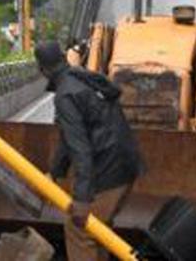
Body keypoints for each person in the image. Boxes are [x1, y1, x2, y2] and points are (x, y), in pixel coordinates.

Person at [35, 41, 143, 261]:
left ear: (42, 70)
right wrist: (55, 172)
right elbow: (69, 138)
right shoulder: (83, 78)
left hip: (109, 169)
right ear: (64, 58)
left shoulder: (65, 95)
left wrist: (82, 199)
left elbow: (80, 149)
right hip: (125, 162)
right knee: (97, 231)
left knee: (79, 230)